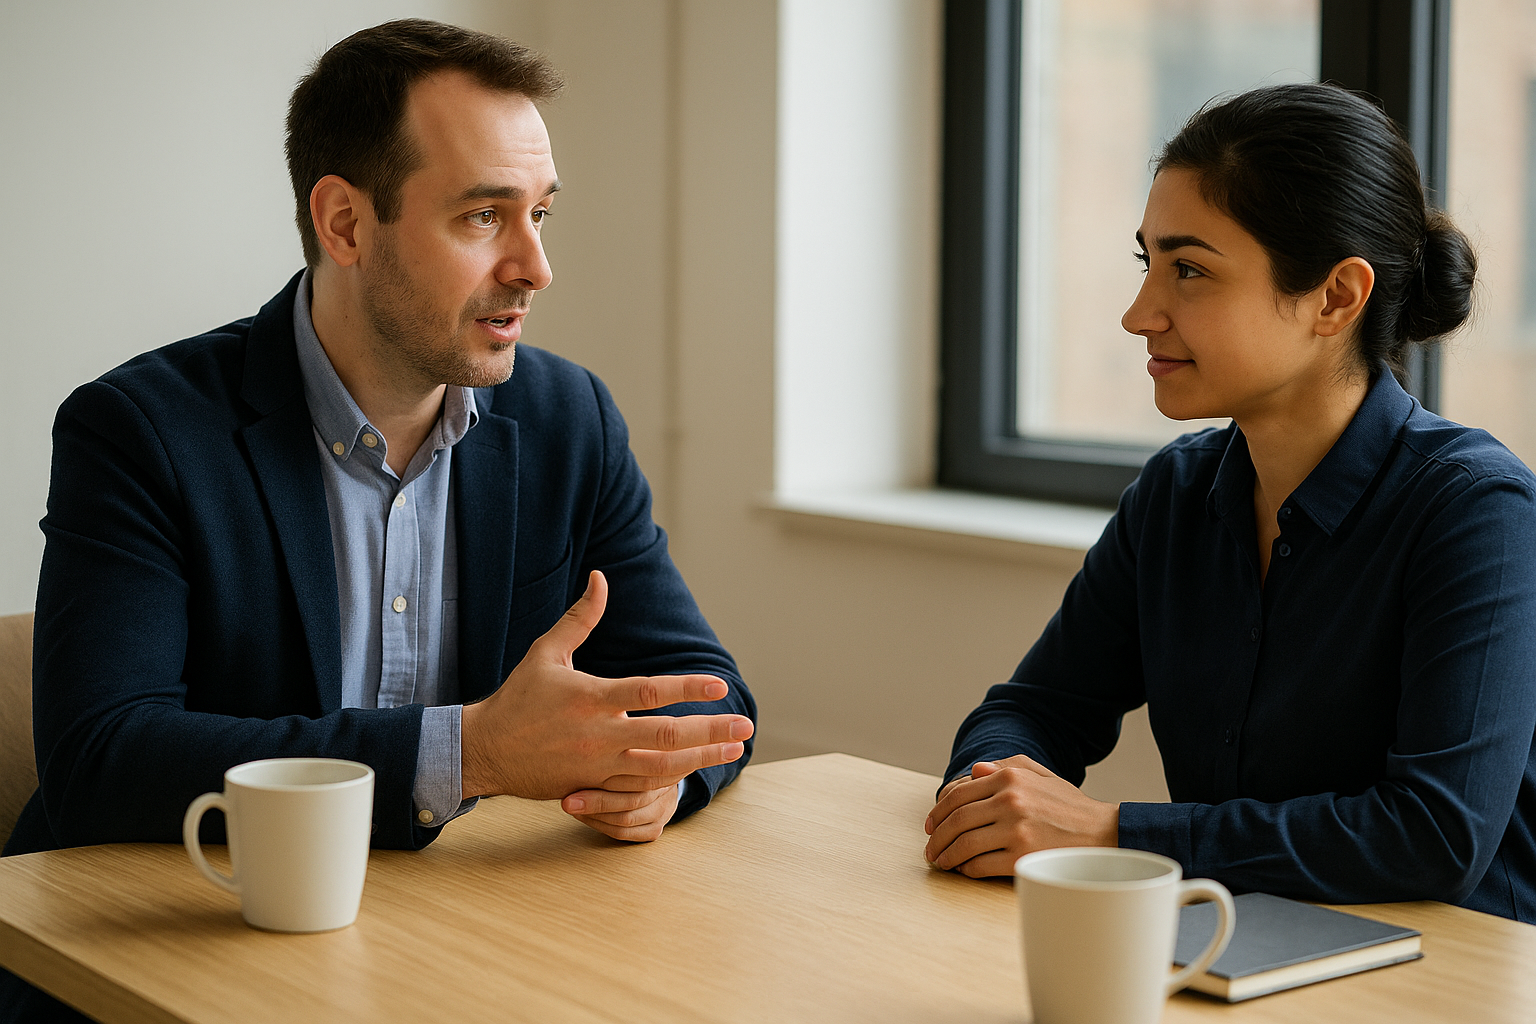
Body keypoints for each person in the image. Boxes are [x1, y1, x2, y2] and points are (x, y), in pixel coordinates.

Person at [3, 18, 756, 1021]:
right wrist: (473, 752)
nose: (534, 267)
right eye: (485, 217)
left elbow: (706, 695)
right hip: (166, 957)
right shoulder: (141, 430)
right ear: (346, 224)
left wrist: (650, 777)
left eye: (541, 214)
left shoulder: (567, 419)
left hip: (437, 949)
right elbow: (104, 758)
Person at [924, 82, 1536, 923]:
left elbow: (1434, 835)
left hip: (1452, 974)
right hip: (1240, 946)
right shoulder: (1176, 493)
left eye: (1190, 271)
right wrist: (991, 792)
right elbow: (1036, 709)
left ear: (1335, 298)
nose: (1141, 314)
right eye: (1149, 263)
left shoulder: (1477, 510)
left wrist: (1110, 832)